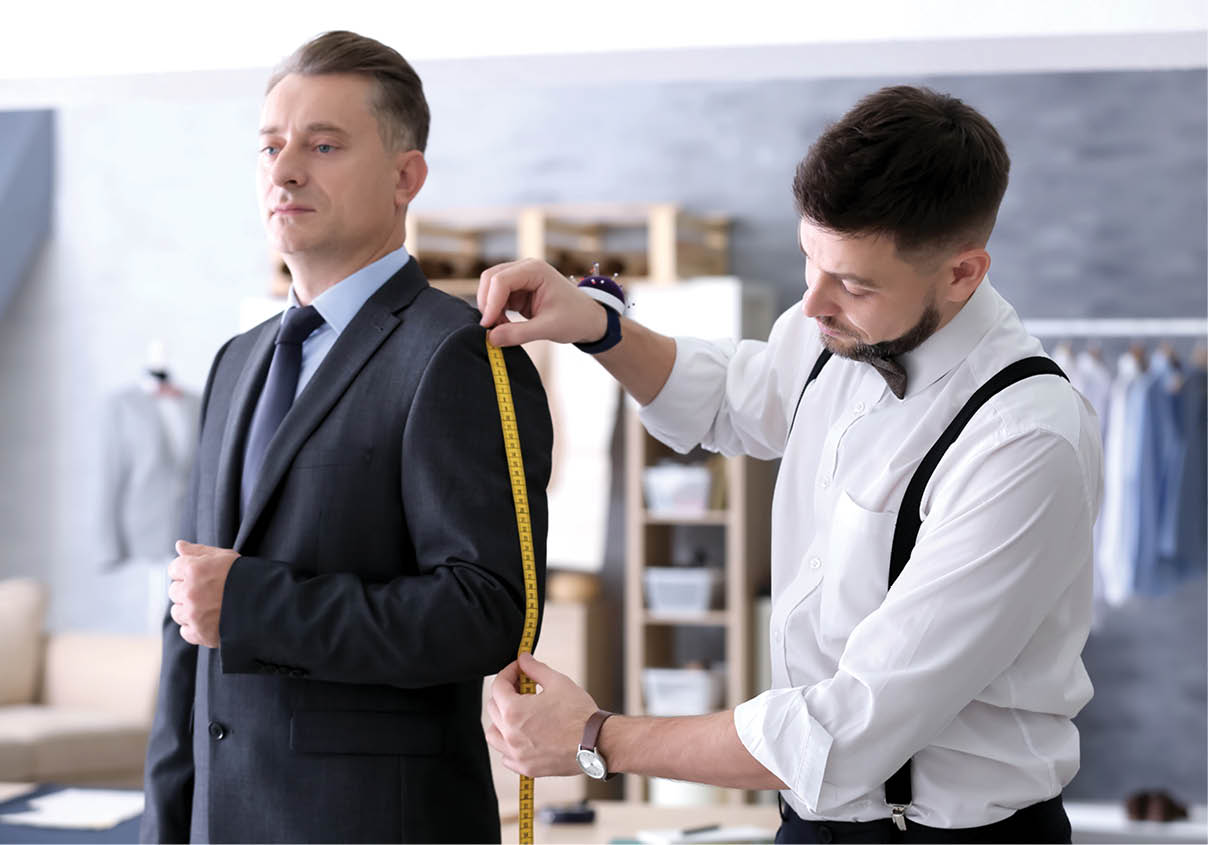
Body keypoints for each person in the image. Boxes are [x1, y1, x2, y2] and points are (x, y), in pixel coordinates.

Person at [481, 86, 1100, 843]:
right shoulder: (835, 327)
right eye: (812, 260)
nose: (812, 305)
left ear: (962, 274)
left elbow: (847, 730)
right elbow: (731, 396)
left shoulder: (1025, 442)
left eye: (854, 283)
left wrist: (594, 737)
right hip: (809, 823)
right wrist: (598, 327)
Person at [140, 31, 552, 844]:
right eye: (271, 146)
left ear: (406, 177)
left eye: (323, 145)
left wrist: (256, 605)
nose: (285, 170)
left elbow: (488, 611)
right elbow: (188, 622)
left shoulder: (461, 353)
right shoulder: (234, 362)